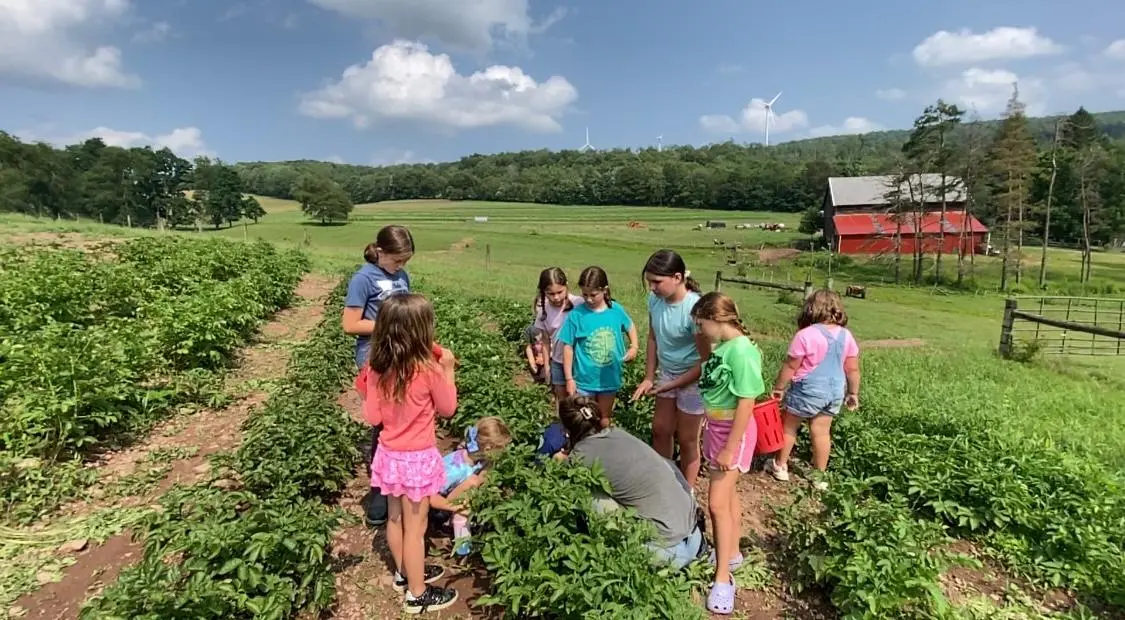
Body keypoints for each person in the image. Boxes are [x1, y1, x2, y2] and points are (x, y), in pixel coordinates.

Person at [357, 293, 459, 613]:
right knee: (417, 530)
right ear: (421, 331)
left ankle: (404, 573)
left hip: (389, 454)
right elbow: (448, 408)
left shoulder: (376, 367)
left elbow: (373, 418)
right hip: (416, 458)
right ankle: (417, 594)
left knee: (395, 519)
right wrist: (449, 370)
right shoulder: (428, 369)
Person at [555, 396, 704, 570]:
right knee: (663, 464)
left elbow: (565, 467)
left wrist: (560, 462)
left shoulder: (579, 458)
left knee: (589, 492)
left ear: (566, 429)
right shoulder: (619, 433)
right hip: (694, 537)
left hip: (667, 554)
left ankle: (609, 556)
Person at [692, 292, 766, 615]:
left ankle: (723, 578)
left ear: (717, 320)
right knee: (729, 497)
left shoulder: (743, 351)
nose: (700, 329)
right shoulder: (722, 348)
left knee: (716, 503)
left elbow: (747, 403)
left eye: (701, 323)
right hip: (716, 428)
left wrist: (730, 446)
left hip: (732, 434)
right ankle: (731, 551)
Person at [342, 225, 415, 528]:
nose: (401, 267)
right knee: (383, 422)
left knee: (401, 417)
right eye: (397, 261)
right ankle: (379, 491)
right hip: (374, 355)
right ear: (381, 252)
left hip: (402, 352)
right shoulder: (363, 279)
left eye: (405, 262)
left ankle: (402, 483)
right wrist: (390, 324)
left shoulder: (401, 277)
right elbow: (350, 325)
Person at [631, 249, 710, 487]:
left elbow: (705, 362)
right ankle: (665, 481)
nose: (652, 287)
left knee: (687, 439)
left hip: (693, 380)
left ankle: (687, 490)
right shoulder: (655, 301)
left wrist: (672, 384)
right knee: (660, 429)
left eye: (657, 282)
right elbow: (653, 338)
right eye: (649, 282)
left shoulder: (695, 310)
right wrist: (648, 377)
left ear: (677, 277)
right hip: (667, 373)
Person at [766, 289, 860, 489]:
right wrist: (853, 393)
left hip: (808, 389)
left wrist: (779, 387)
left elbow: (791, 365)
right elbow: (852, 369)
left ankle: (780, 465)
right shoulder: (846, 336)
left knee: (790, 426)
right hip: (834, 391)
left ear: (810, 309)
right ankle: (819, 476)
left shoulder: (805, 335)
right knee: (822, 432)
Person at [559, 266, 639, 427]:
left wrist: (634, 347)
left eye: (593, 295)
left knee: (604, 417)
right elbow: (568, 347)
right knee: (584, 419)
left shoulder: (615, 310)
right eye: (585, 294)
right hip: (584, 380)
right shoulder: (577, 315)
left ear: (605, 290)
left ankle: (604, 448)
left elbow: (630, 325)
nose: (588, 299)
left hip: (609, 377)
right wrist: (569, 378)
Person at [429, 417, 513, 556]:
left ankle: (464, 522)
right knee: (472, 484)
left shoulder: (476, 458)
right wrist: (454, 506)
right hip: (436, 506)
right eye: (501, 449)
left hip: (448, 498)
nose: (504, 452)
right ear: (488, 448)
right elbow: (429, 496)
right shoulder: (457, 470)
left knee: (475, 482)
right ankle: (463, 548)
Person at [531, 267, 585, 401]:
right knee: (562, 400)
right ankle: (561, 422)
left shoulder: (579, 304)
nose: (556, 297)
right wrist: (547, 366)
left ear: (566, 286)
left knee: (580, 400)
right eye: (550, 293)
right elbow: (545, 341)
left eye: (560, 292)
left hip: (579, 362)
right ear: (544, 292)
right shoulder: (543, 311)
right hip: (558, 361)